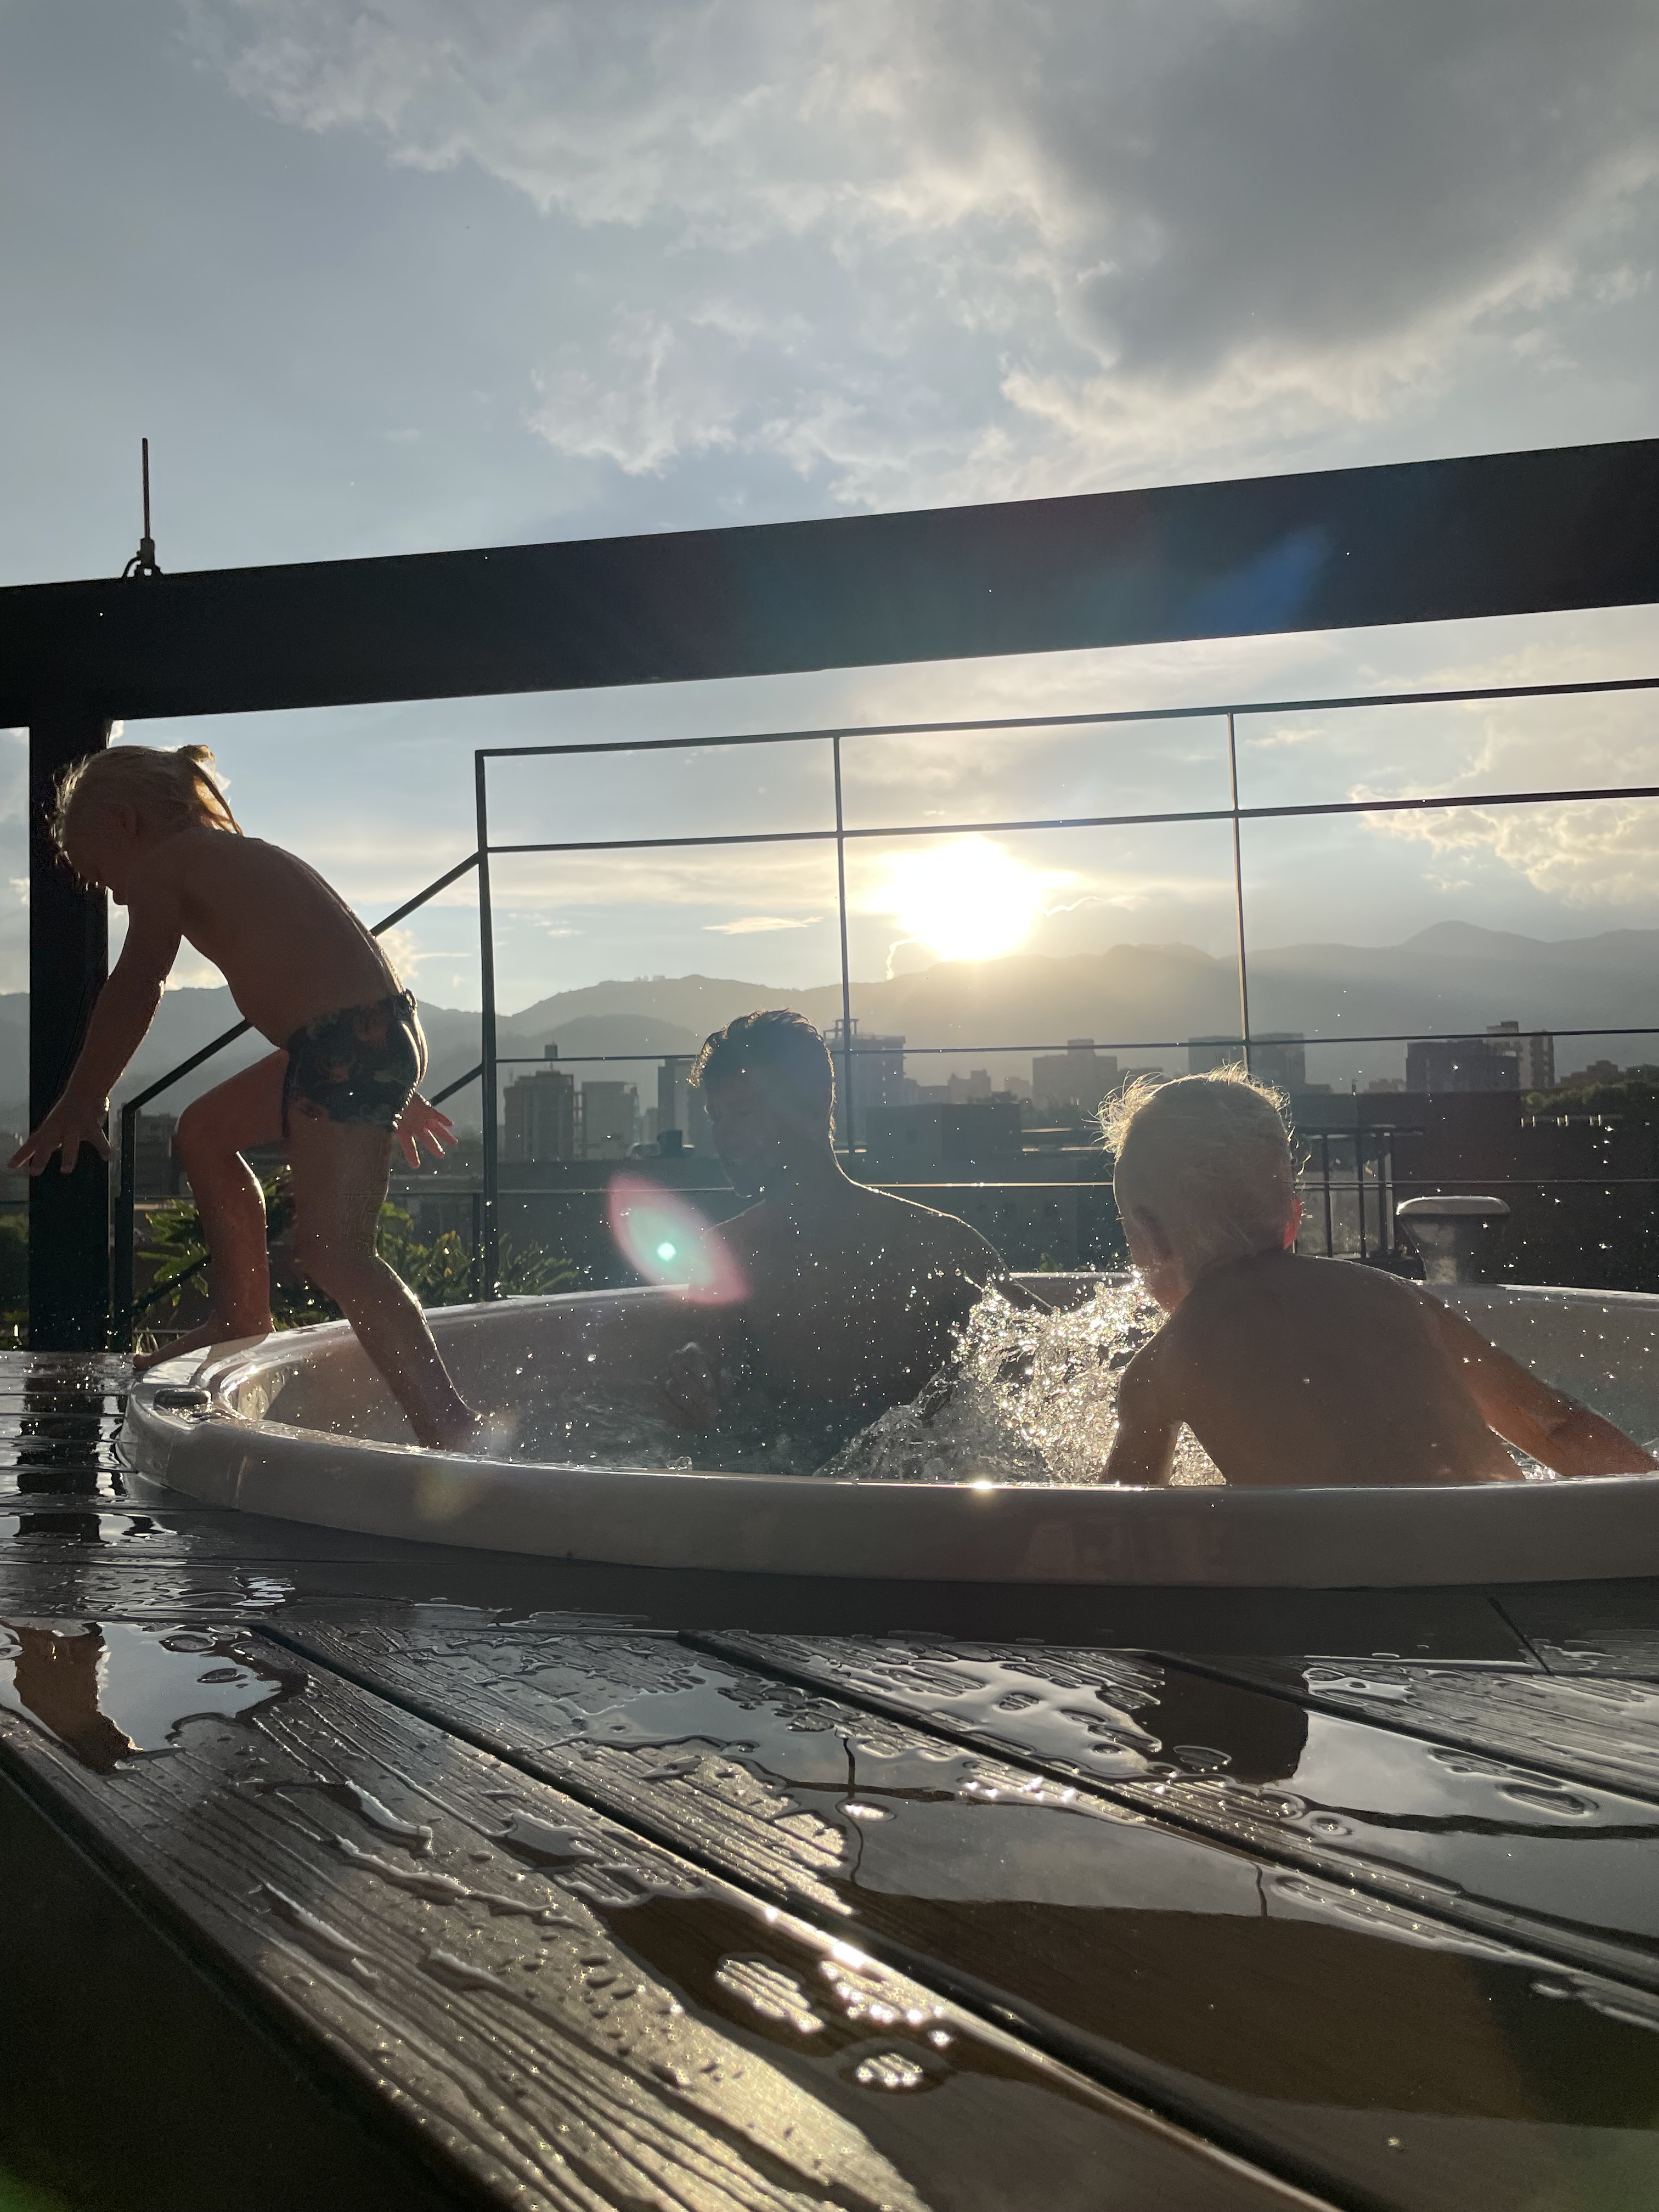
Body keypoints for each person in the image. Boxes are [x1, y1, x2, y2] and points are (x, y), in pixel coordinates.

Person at [10, 743, 477, 1451]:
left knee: (334, 1252)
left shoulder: (168, 864)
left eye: (102, 874)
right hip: (362, 1038)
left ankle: (451, 1428)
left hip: (343, 1049)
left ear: (122, 821)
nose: (115, 895)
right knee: (203, 1132)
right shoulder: (247, 856)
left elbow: (138, 983)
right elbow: (346, 957)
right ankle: (242, 1312)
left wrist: (82, 1098)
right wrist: (395, 1080)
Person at [1100, 1068, 1655, 1488]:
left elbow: (1123, 1530)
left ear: (1150, 1238)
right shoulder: (1397, 1299)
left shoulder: (1161, 1367)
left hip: (1349, 1592)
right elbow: (1556, 1425)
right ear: (1293, 1220)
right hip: (1505, 1555)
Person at [660, 1009, 1006, 1461]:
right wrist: (691, 1387)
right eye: (717, 1117)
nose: (726, 1137)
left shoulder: (938, 1249)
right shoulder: (727, 1254)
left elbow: (1057, 1367)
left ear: (814, 1103)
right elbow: (707, 1398)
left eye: (744, 1112)